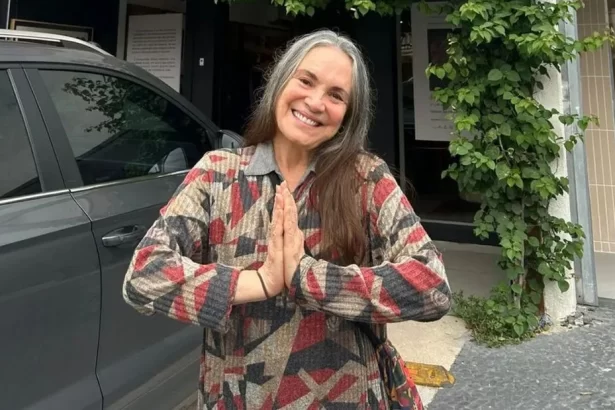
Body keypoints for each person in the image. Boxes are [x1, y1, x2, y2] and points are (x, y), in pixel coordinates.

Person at [122, 29, 451, 409]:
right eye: (306, 80)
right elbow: (143, 277)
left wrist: (307, 278)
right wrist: (259, 281)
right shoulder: (217, 174)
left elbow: (433, 287)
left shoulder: (366, 179)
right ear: (280, 82)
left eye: (336, 95)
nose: (315, 102)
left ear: (348, 115)